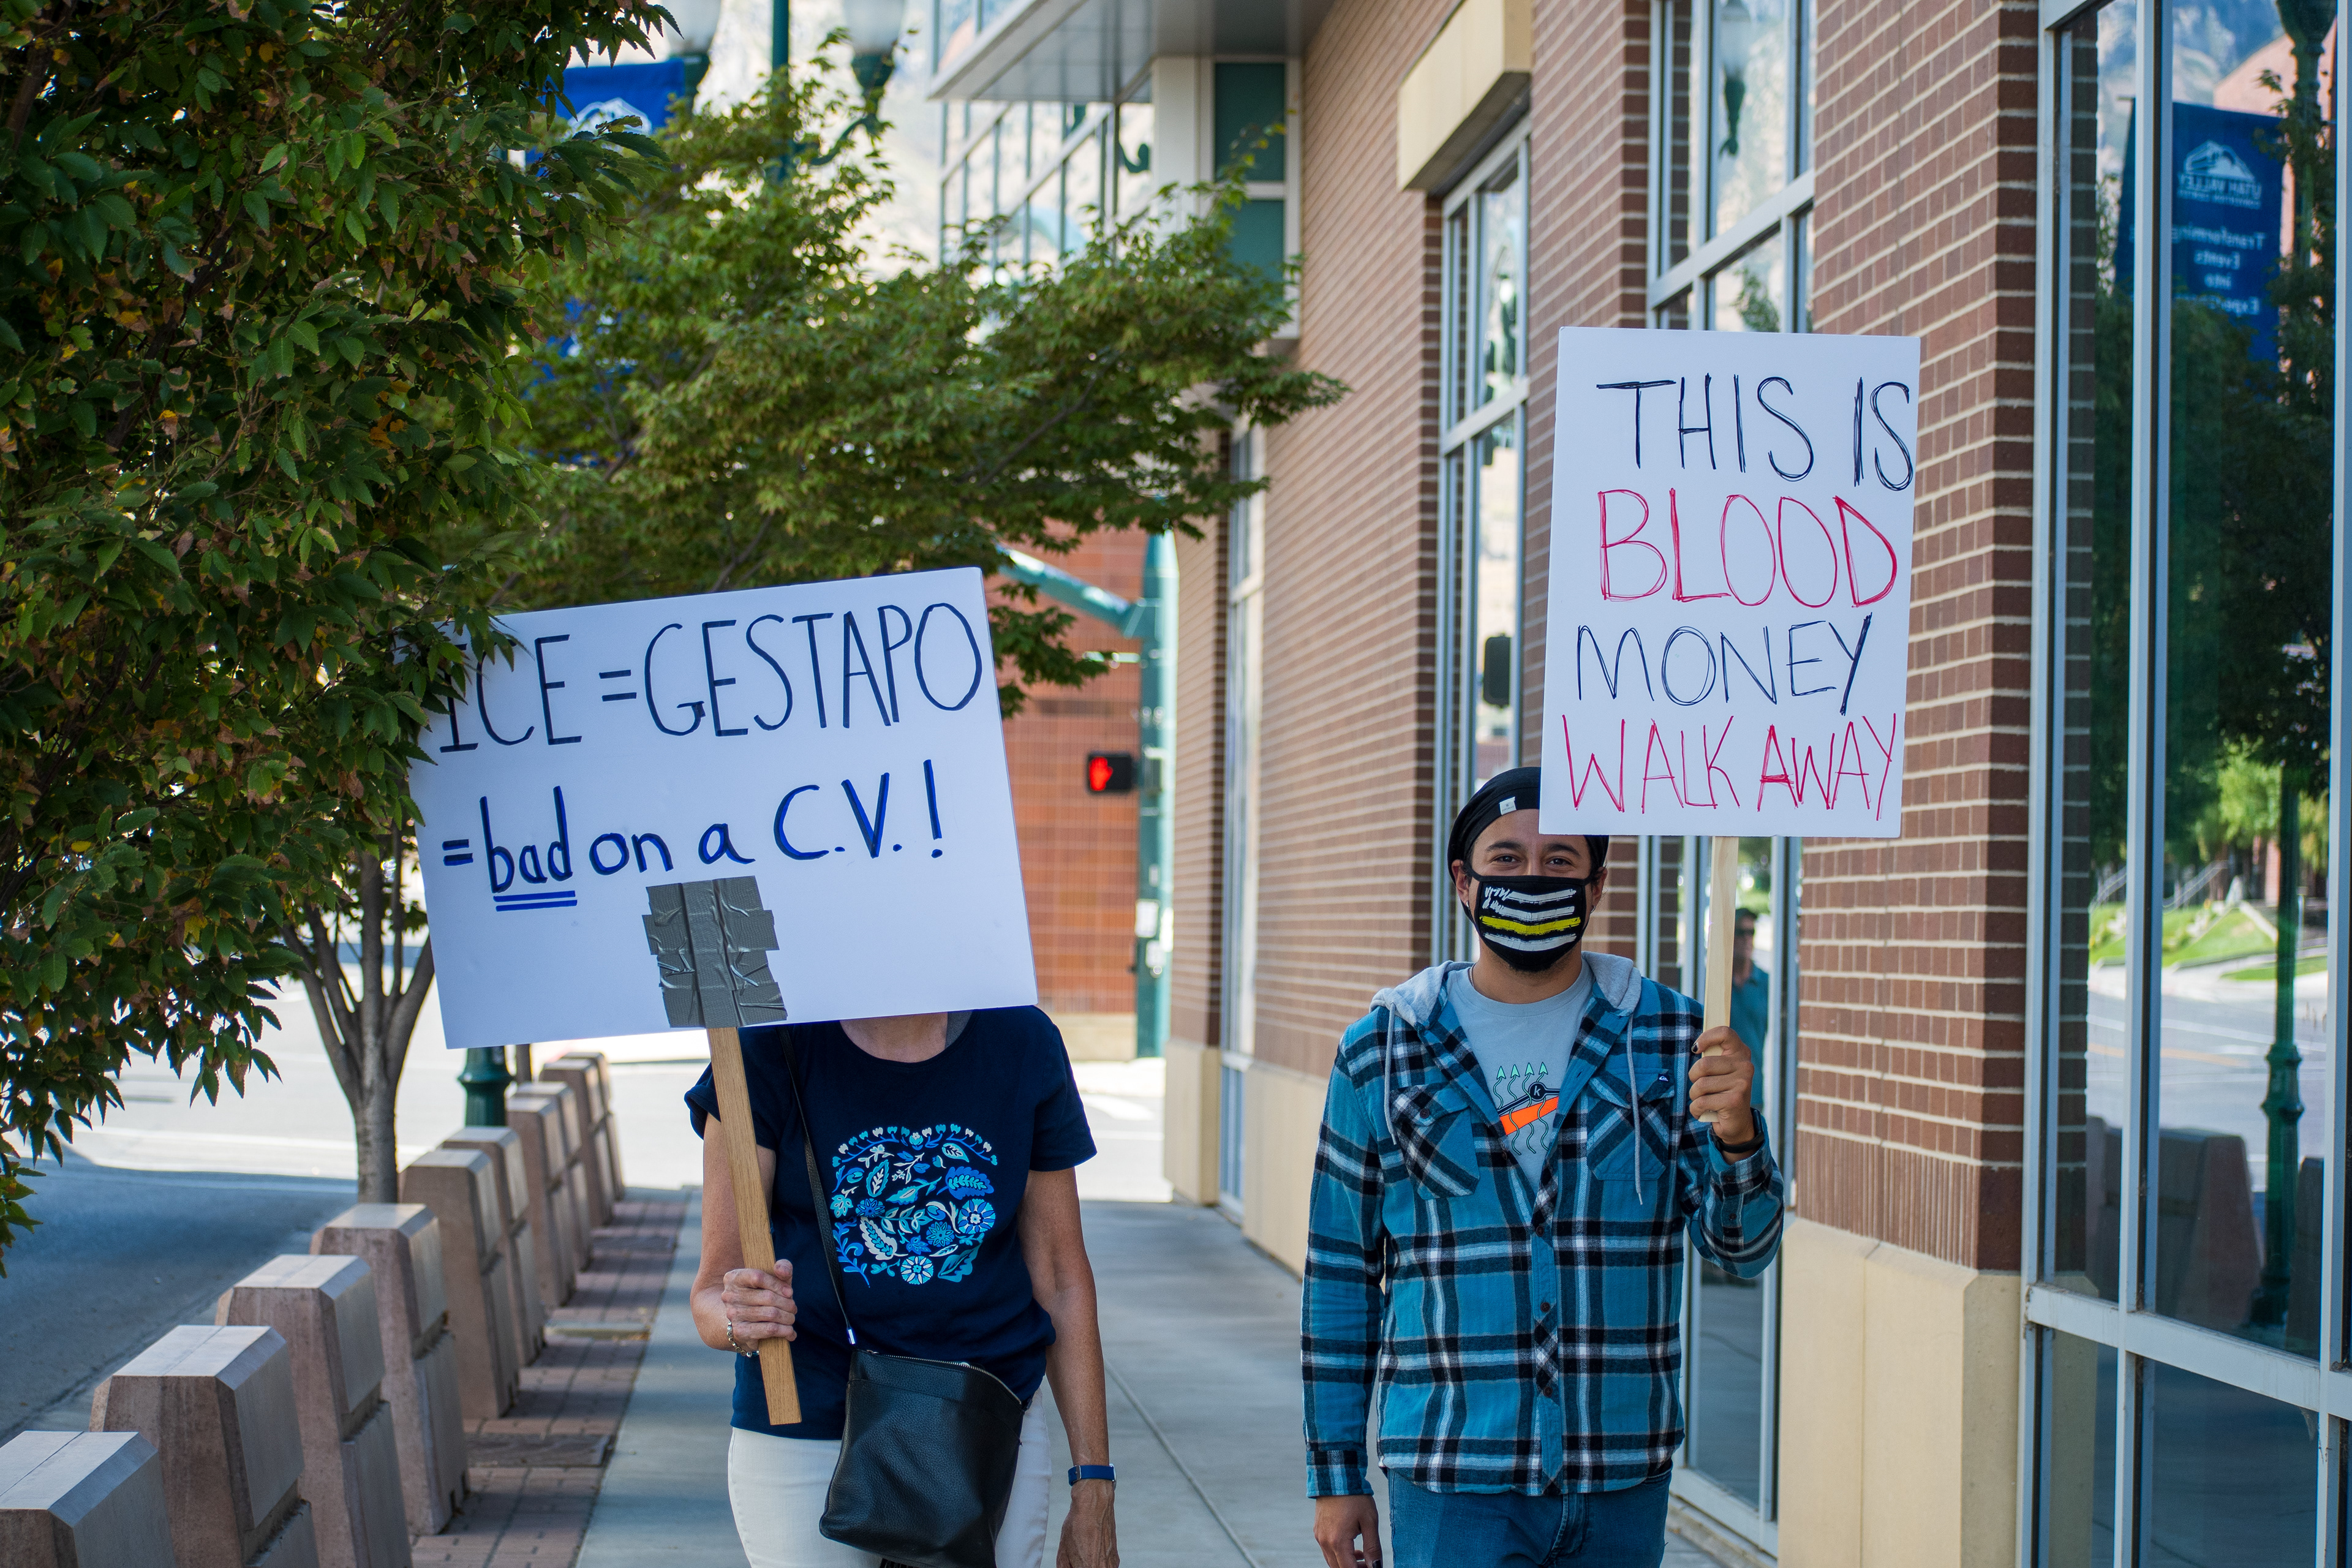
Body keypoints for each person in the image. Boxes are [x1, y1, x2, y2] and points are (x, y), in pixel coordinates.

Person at [1303, 767, 1784, 1568]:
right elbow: (1341, 1276)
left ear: (1598, 886)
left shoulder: (1674, 1040)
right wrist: (1334, 1474)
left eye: (1560, 861)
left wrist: (1738, 1135)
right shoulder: (1381, 1052)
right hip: (1452, 1473)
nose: (1533, 878)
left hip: (1619, 1473)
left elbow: (1744, 1250)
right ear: (1464, 881)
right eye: (1507, 858)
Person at [685, 1008, 1120, 1568]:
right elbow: (711, 1294)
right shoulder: (761, 1049)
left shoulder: (1021, 1040)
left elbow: (1061, 1277)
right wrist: (738, 1319)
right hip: (809, 1418)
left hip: (987, 1417)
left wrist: (1094, 1482)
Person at [1728, 906, 1771, 1102]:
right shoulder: (1716, 983)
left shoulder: (1765, 983)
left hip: (1754, 1091)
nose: (1747, 939)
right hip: (1721, 1088)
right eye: (1741, 932)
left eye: (1751, 932)